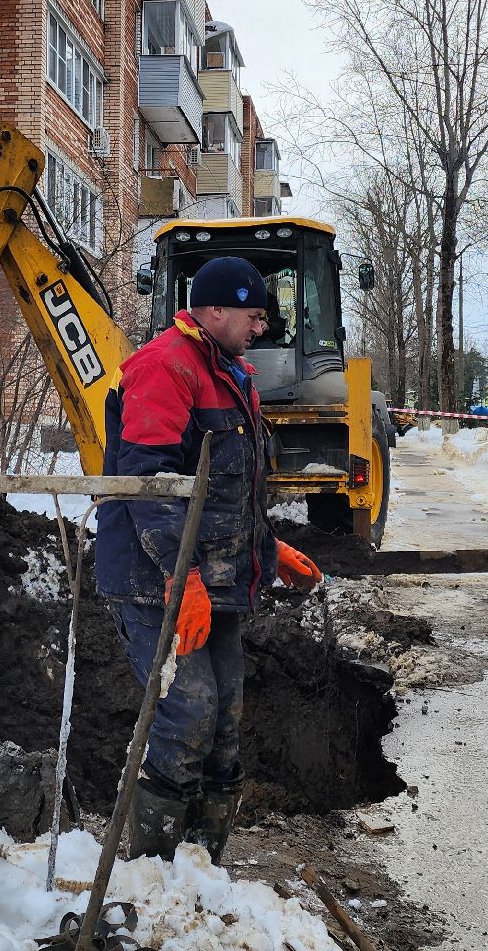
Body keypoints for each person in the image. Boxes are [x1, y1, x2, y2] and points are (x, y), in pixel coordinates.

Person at [95, 256, 323, 864]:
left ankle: (200, 868)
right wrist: (181, 575)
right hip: (155, 581)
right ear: (216, 309)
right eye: (253, 316)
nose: (260, 328)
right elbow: (151, 483)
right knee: (186, 714)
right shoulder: (166, 368)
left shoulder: (229, 374)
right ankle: (149, 872)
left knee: (224, 725)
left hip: (212, 582)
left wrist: (269, 551)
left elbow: (226, 490)